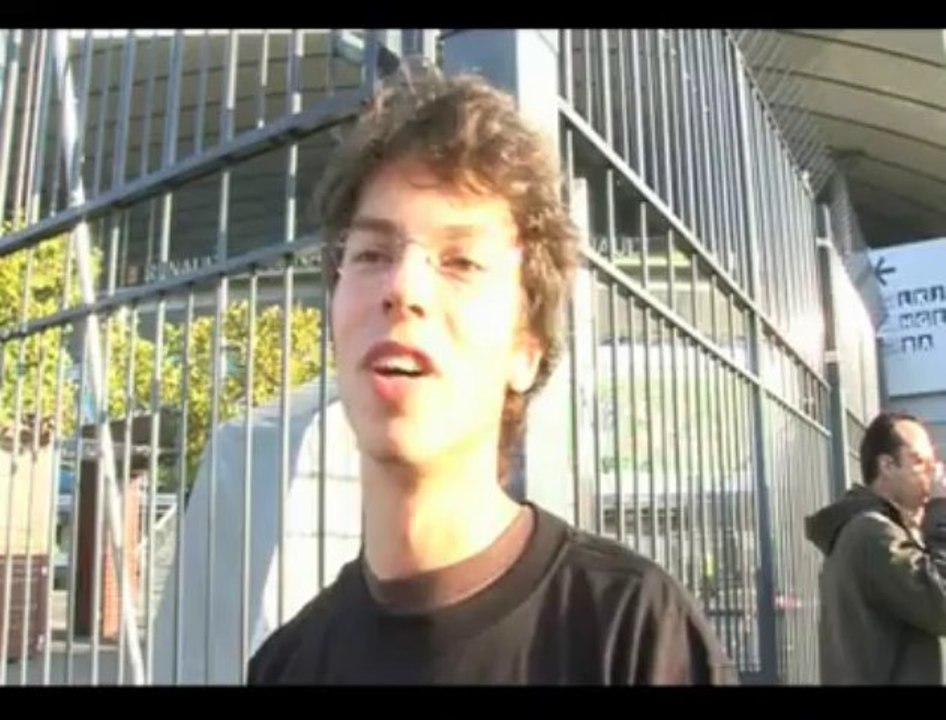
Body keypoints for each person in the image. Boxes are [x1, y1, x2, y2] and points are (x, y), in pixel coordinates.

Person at [247, 65, 736, 685]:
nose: (403, 288)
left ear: (525, 351)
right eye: (371, 254)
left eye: (461, 261)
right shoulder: (287, 666)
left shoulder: (633, 634)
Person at [805, 411, 946, 685]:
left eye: (934, 465)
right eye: (919, 462)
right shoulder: (873, 534)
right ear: (887, 466)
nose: (931, 475)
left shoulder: (872, 529)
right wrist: (940, 512)